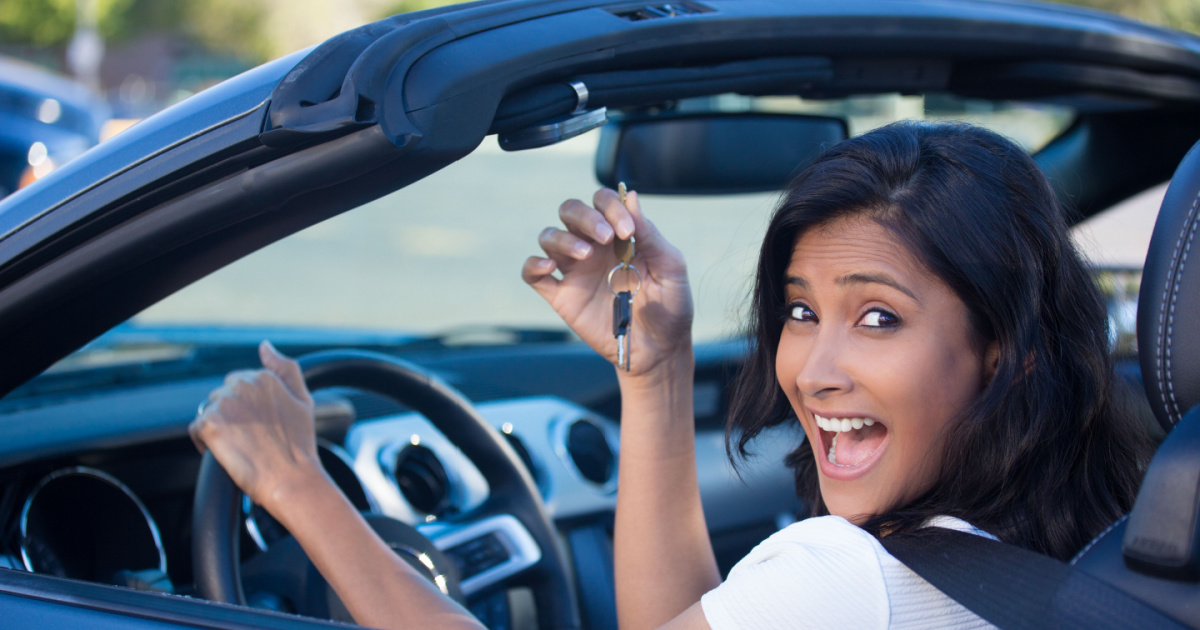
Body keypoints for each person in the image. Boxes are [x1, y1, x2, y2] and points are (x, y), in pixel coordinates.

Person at [190, 121, 1152, 629]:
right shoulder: (1107, 535)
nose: (813, 370)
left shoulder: (848, 577)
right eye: (801, 310)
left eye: (878, 318)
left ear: (1005, 348)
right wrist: (654, 373)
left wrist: (297, 487)